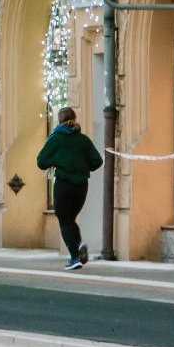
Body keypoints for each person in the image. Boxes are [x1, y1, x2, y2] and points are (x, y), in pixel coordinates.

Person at [36, 107, 104, 271]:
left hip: (64, 184)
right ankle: (79, 245)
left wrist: (57, 161)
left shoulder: (56, 138)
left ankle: (75, 257)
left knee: (64, 219)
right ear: (74, 119)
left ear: (60, 121)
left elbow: (41, 161)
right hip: (81, 186)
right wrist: (81, 166)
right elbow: (97, 161)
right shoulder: (83, 140)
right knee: (71, 218)